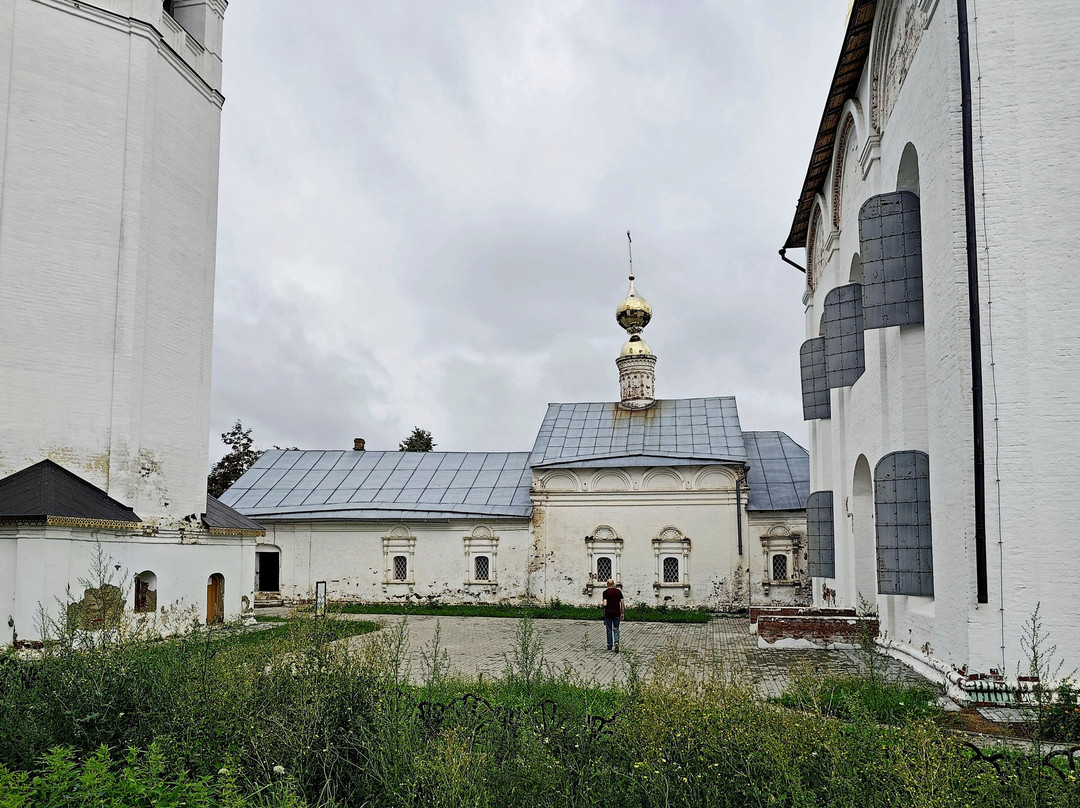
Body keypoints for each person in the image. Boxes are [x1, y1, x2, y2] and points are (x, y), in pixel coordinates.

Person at [601, 579, 624, 651]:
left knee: (609, 630)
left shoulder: (605, 592)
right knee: (616, 628)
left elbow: (605, 603)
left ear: (607, 584)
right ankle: (616, 641)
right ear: (613, 584)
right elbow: (622, 603)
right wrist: (622, 613)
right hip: (617, 613)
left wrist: (601, 605)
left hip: (608, 613)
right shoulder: (618, 591)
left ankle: (609, 645)